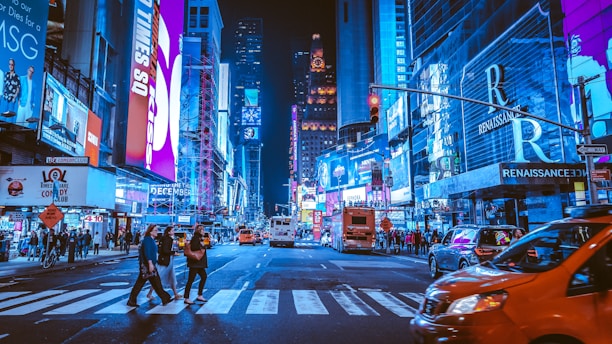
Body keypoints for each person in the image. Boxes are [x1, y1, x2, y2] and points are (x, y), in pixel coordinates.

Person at [126, 224, 172, 307]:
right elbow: (147, 252)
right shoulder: (147, 240)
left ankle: (165, 298)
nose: (157, 232)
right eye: (155, 230)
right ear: (150, 231)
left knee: (154, 283)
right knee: (153, 283)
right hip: (147, 265)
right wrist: (150, 264)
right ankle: (165, 298)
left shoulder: (150, 239)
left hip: (149, 264)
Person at [147, 225, 182, 301]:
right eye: (172, 231)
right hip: (165, 261)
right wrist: (173, 252)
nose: (174, 232)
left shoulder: (165, 238)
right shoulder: (168, 239)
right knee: (158, 278)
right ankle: (149, 293)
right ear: (169, 232)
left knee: (172, 277)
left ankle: (175, 294)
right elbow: (165, 250)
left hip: (168, 261)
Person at [183, 224, 209, 305]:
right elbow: (194, 248)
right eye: (203, 230)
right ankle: (186, 298)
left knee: (204, 277)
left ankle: (200, 295)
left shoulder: (199, 238)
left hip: (198, 263)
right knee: (191, 280)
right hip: (195, 263)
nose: (204, 231)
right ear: (199, 231)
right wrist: (202, 245)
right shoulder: (195, 238)